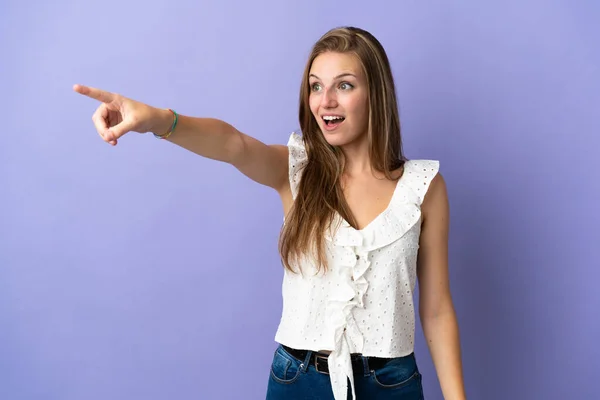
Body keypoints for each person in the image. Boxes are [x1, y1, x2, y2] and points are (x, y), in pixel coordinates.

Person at [74, 26, 466, 400]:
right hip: (299, 382)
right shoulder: (294, 169)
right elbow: (232, 144)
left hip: (391, 386)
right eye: (316, 86)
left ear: (375, 94)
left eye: (343, 85)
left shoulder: (424, 187)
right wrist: (158, 120)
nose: (325, 101)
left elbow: (436, 310)